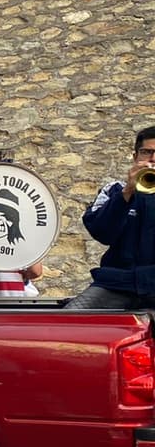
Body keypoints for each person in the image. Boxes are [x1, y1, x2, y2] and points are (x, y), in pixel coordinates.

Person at [66, 126, 155, 309]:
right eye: (147, 152)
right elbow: (102, 233)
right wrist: (127, 192)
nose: (153, 159)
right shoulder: (114, 190)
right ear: (135, 156)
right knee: (69, 319)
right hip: (115, 285)